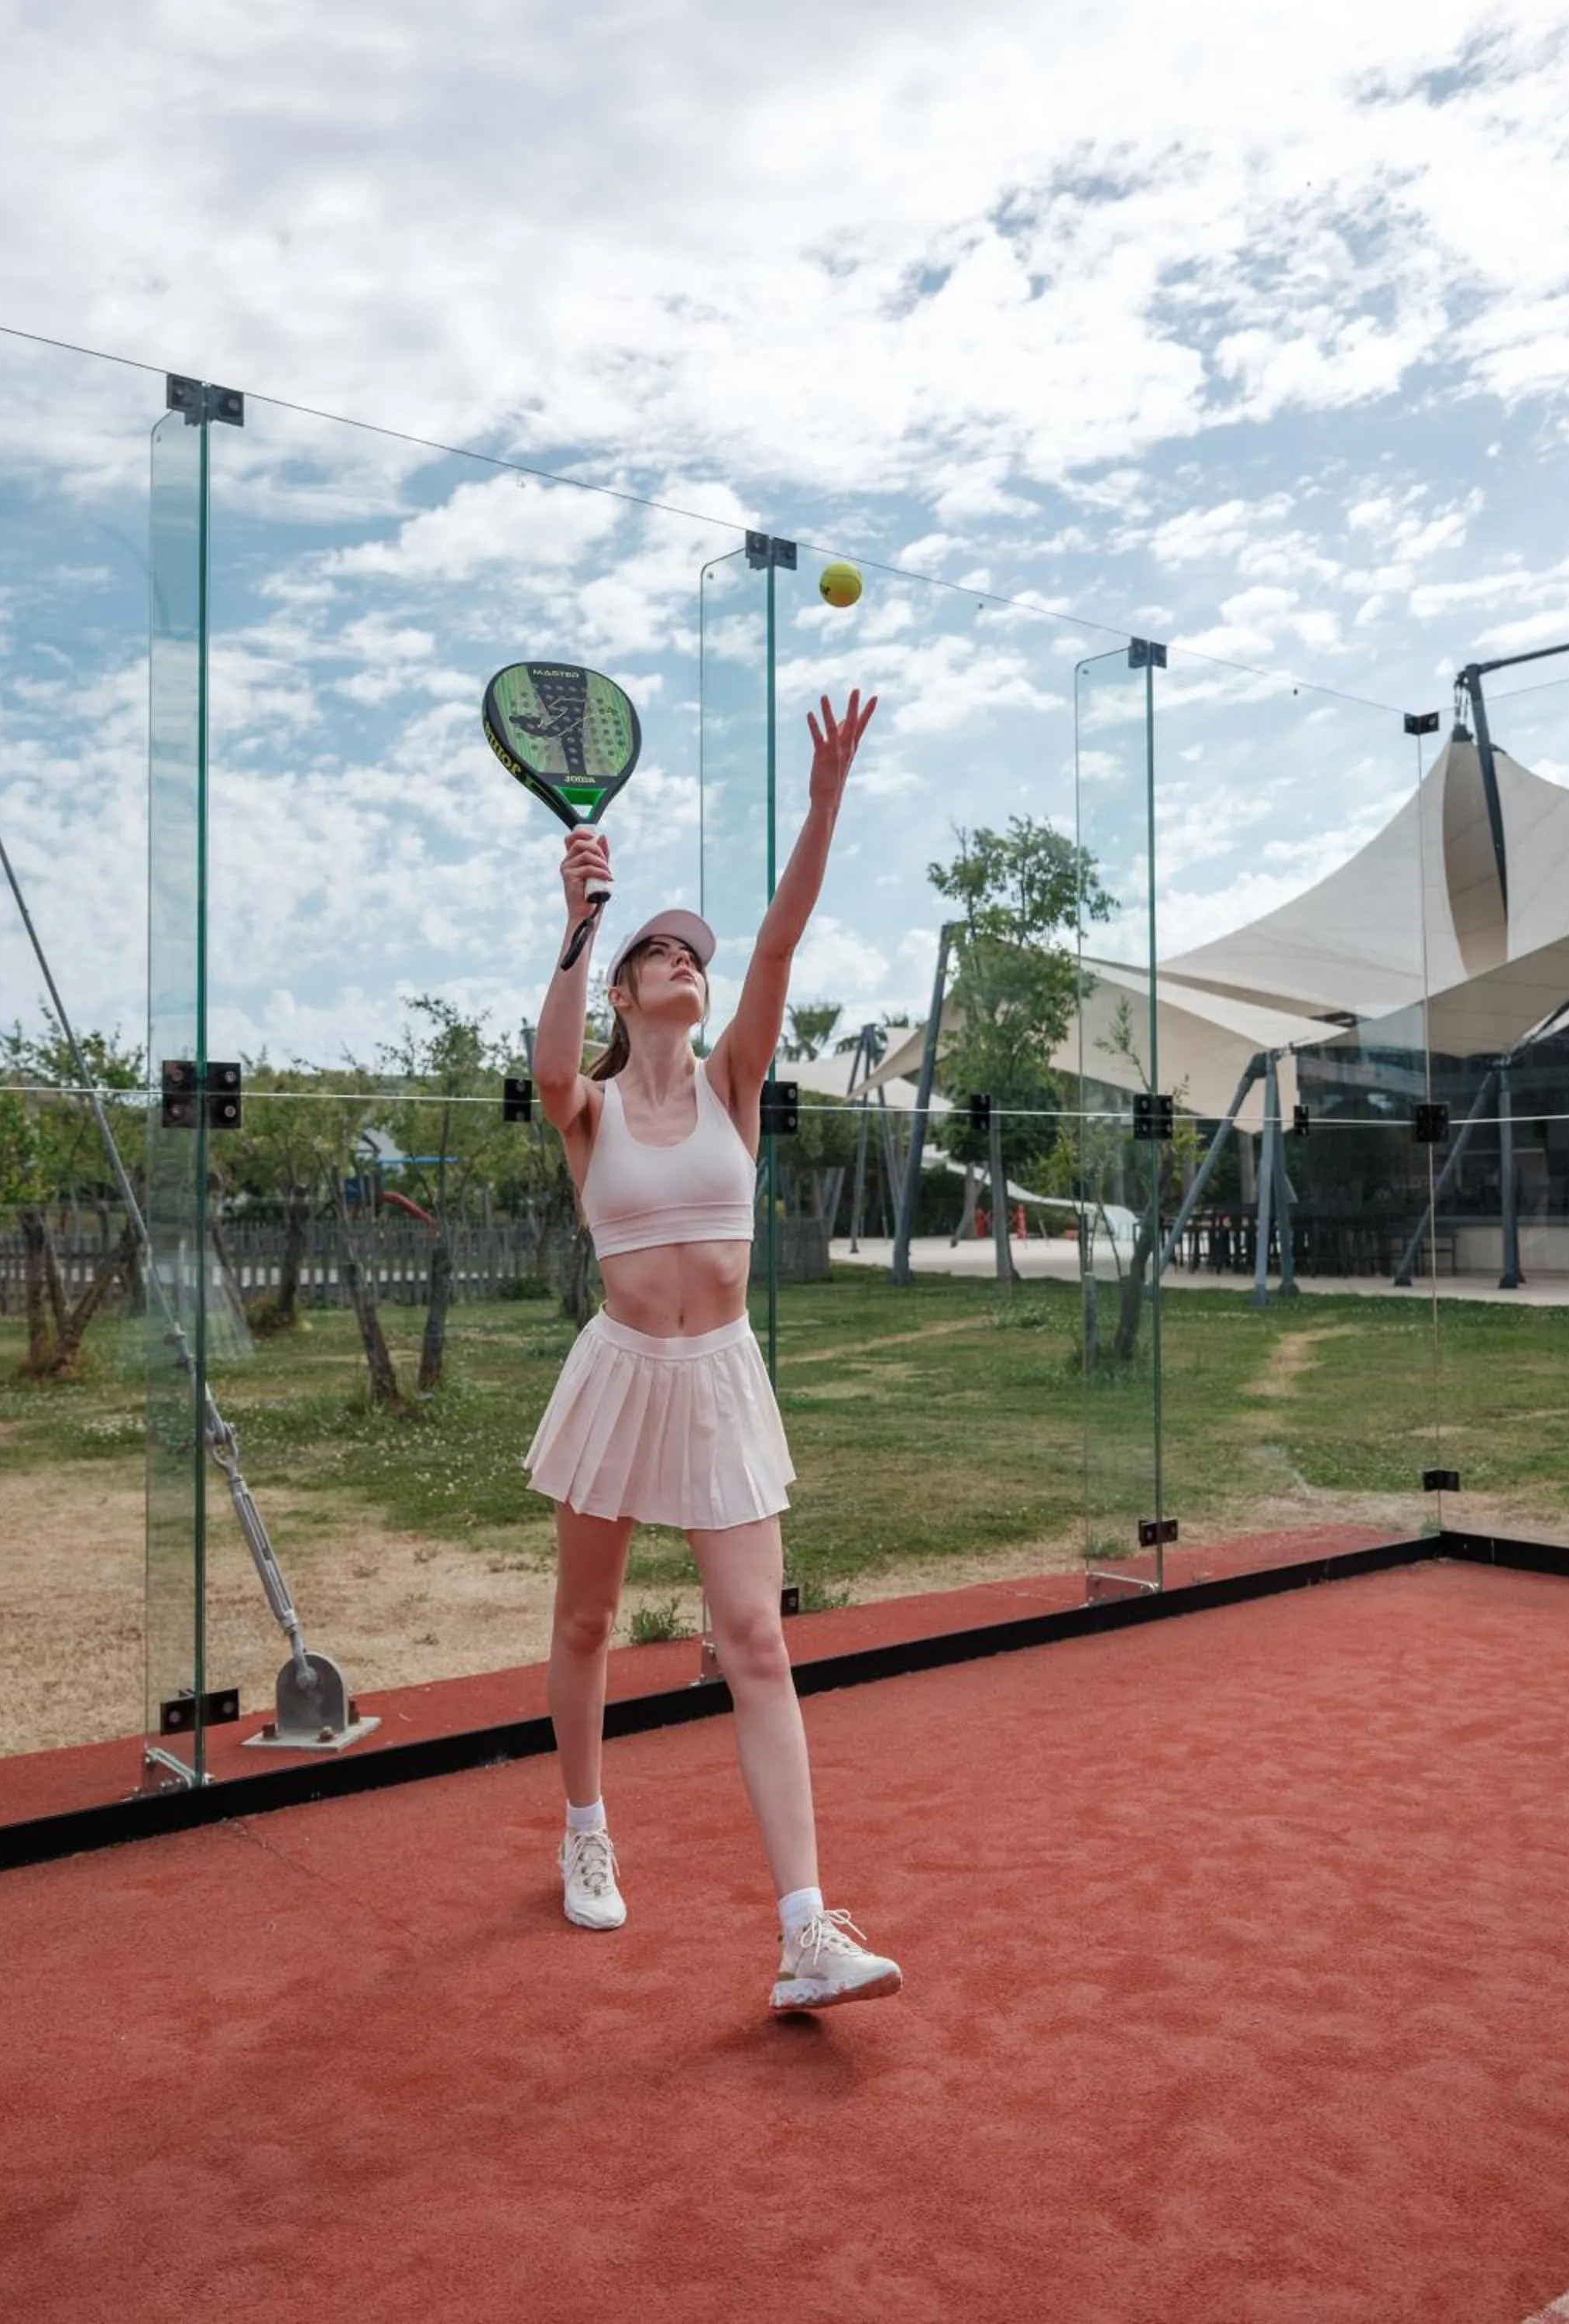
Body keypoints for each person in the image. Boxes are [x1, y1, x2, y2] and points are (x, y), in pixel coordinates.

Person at [525, 688, 901, 2015]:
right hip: (621, 1373)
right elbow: (547, 1057)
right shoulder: (590, 1106)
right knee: (586, 1619)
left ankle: (802, 1934)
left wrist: (824, 805)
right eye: (660, 952)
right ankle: (583, 1823)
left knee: (756, 1639)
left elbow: (785, 941)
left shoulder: (739, 1077)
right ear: (628, 989)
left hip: (722, 1377)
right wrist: (577, 923)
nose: (686, 959)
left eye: (694, 951)